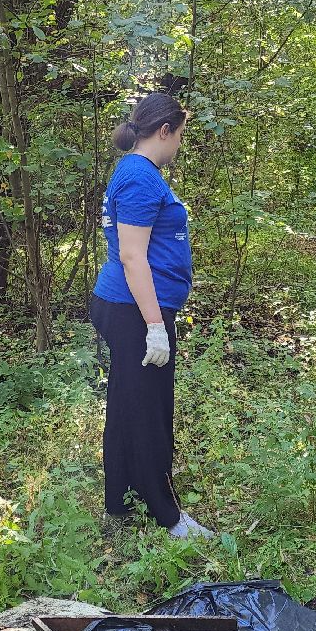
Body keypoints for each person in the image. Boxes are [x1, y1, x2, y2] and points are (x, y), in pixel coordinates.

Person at [89, 92, 213, 540]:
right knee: (150, 413)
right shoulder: (141, 176)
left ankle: (122, 506)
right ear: (164, 131)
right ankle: (167, 516)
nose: (181, 144)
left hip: (129, 307)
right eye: (180, 135)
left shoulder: (138, 172)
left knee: (128, 407)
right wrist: (155, 327)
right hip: (136, 310)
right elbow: (132, 256)